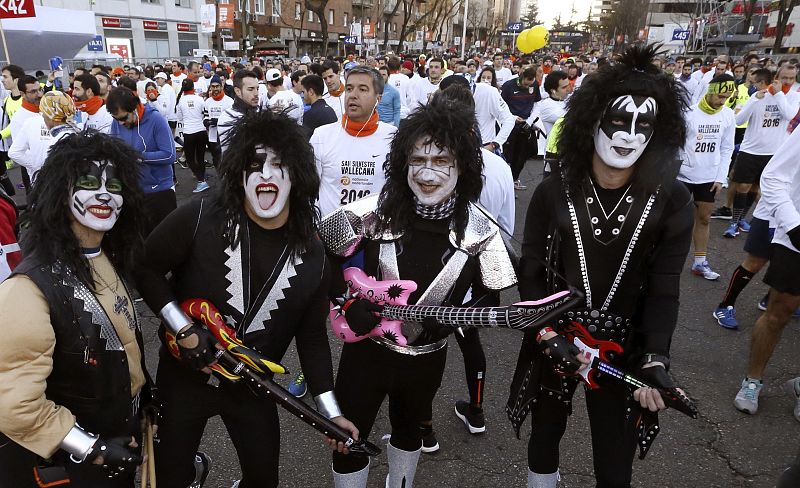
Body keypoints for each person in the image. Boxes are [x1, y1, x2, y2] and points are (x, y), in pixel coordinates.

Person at [133, 110, 357, 488]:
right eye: (254, 165)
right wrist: (183, 328)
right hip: (184, 380)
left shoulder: (314, 256)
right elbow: (146, 269)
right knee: (170, 477)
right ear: (239, 173)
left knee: (263, 479)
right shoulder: (203, 215)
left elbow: (313, 338)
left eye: (279, 164)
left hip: (252, 387)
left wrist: (330, 411)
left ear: (298, 175)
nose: (266, 174)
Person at [507, 44, 693, 488]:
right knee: (543, 439)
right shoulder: (551, 192)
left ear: (658, 131)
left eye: (643, 124)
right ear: (591, 120)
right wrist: (546, 333)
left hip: (622, 351)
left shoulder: (674, 201)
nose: (628, 135)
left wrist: (654, 357)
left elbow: (665, 287)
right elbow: (530, 273)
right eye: (617, 120)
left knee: (614, 463)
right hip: (555, 337)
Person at [320, 92, 516, 488]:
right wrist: (344, 301)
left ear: (463, 166)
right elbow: (320, 255)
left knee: (410, 430)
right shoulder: (371, 210)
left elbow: (491, 296)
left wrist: (456, 321)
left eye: (441, 161)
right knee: (347, 437)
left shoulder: (483, 230)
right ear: (402, 163)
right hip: (366, 355)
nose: (428, 174)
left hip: (426, 359)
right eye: (418, 160)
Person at [0, 131, 151, 487]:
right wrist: (90, 447)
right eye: (87, 182)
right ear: (59, 191)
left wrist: (144, 403)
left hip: (124, 439)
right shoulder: (28, 289)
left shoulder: (105, 258)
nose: (104, 194)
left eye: (114, 184)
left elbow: (125, 348)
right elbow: (14, 405)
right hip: (78, 465)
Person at [732, 122, 800, 417]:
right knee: (778, 313)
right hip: (796, 236)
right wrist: (794, 225)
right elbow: (773, 176)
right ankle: (753, 379)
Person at [723, 66, 799, 238]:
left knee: (756, 189)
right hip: (750, 150)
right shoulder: (758, 96)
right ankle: (733, 222)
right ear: (776, 78)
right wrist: (754, 99)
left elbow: (789, 115)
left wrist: (779, 94)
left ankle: (742, 218)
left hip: (773, 153)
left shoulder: (794, 97)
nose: (787, 82)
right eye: (784, 78)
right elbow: (739, 119)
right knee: (742, 186)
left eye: (791, 78)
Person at [311, 66, 396, 218]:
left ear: (379, 98)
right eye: (349, 89)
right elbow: (308, 190)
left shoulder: (392, 137)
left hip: (375, 235)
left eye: (363, 89)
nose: (353, 95)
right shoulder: (321, 136)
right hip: (330, 235)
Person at [677, 74, 736, 280]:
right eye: (720, 96)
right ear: (711, 91)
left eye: (727, 97)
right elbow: (675, 143)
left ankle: (700, 262)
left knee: (703, 219)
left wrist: (721, 177)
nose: (722, 101)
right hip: (683, 176)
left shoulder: (728, 115)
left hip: (709, 177)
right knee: (674, 221)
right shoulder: (688, 113)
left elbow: (727, 148)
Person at [107, 86, 177, 236]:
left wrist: (139, 157)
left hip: (159, 192)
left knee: (164, 242)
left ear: (134, 108)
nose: (120, 123)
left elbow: (170, 155)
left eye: (123, 118)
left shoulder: (155, 119)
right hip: (132, 192)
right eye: (116, 119)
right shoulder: (117, 123)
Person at [10, 91, 78, 186]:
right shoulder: (78, 130)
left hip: (48, 189)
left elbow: (14, 152)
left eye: (44, 113)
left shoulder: (59, 138)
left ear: (49, 114)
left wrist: (36, 166)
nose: (43, 117)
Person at [501, 67, 541, 189]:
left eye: (531, 81)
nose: (528, 85)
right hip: (511, 124)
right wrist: (513, 118)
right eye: (526, 82)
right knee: (509, 154)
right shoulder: (509, 86)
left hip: (526, 125)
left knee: (523, 154)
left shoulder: (534, 85)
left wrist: (529, 121)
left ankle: (514, 179)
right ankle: (505, 182)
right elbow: (501, 105)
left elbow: (537, 103)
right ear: (521, 76)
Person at [9, 75, 44, 193]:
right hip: (35, 177)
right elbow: (18, 152)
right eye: (33, 91)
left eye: (40, 89)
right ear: (22, 94)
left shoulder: (47, 111)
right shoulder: (18, 118)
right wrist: (39, 165)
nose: (39, 94)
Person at [176, 78, 210, 193]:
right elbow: (204, 113)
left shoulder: (180, 100)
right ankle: (202, 178)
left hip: (189, 132)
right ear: (193, 88)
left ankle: (201, 180)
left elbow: (180, 118)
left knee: (190, 159)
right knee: (200, 157)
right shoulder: (200, 99)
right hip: (201, 131)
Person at [218, 70, 260, 156]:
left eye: (257, 88)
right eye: (250, 89)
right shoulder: (227, 117)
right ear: (237, 91)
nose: (256, 93)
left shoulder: (259, 112)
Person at [537, 71, 569, 176]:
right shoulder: (547, 105)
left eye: (568, 85)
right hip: (554, 156)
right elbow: (570, 119)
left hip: (568, 154)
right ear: (553, 91)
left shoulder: (566, 100)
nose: (568, 89)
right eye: (564, 87)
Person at [0, 64, 25, 195]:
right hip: (20, 149)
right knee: (28, 182)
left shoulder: (27, 98)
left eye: (5, 77)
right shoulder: (6, 101)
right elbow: (12, 124)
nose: (2, 80)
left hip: (33, 148)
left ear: (16, 79)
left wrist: (49, 82)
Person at [203, 75, 233, 169]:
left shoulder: (229, 101)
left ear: (221, 86)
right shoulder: (208, 102)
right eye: (213, 86)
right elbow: (205, 116)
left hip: (226, 135)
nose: (215, 89)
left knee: (227, 158)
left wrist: (219, 121)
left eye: (217, 86)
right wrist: (206, 122)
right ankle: (220, 177)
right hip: (213, 136)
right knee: (216, 158)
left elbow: (233, 120)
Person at [301, 74, 337, 138]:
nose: (303, 96)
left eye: (303, 92)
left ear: (311, 92)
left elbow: (306, 142)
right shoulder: (330, 110)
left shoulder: (310, 114)